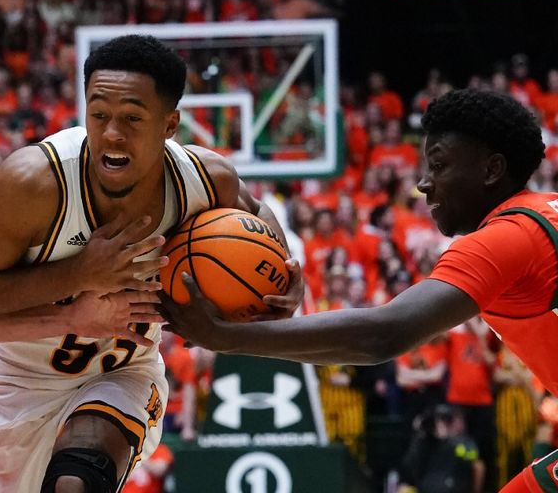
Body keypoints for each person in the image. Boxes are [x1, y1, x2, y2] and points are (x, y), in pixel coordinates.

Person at [0, 34, 301, 493]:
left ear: (170, 124)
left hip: (123, 372)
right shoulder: (33, 184)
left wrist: (285, 274)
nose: (112, 132)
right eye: (99, 114)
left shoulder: (205, 180)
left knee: (78, 478)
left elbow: (258, 214)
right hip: (22, 382)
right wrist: (76, 279)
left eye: (132, 118)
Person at [161, 88, 558, 492]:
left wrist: (223, 337)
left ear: (492, 170)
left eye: (438, 166)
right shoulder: (544, 209)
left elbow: (383, 334)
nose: (423, 184)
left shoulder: (506, 236)